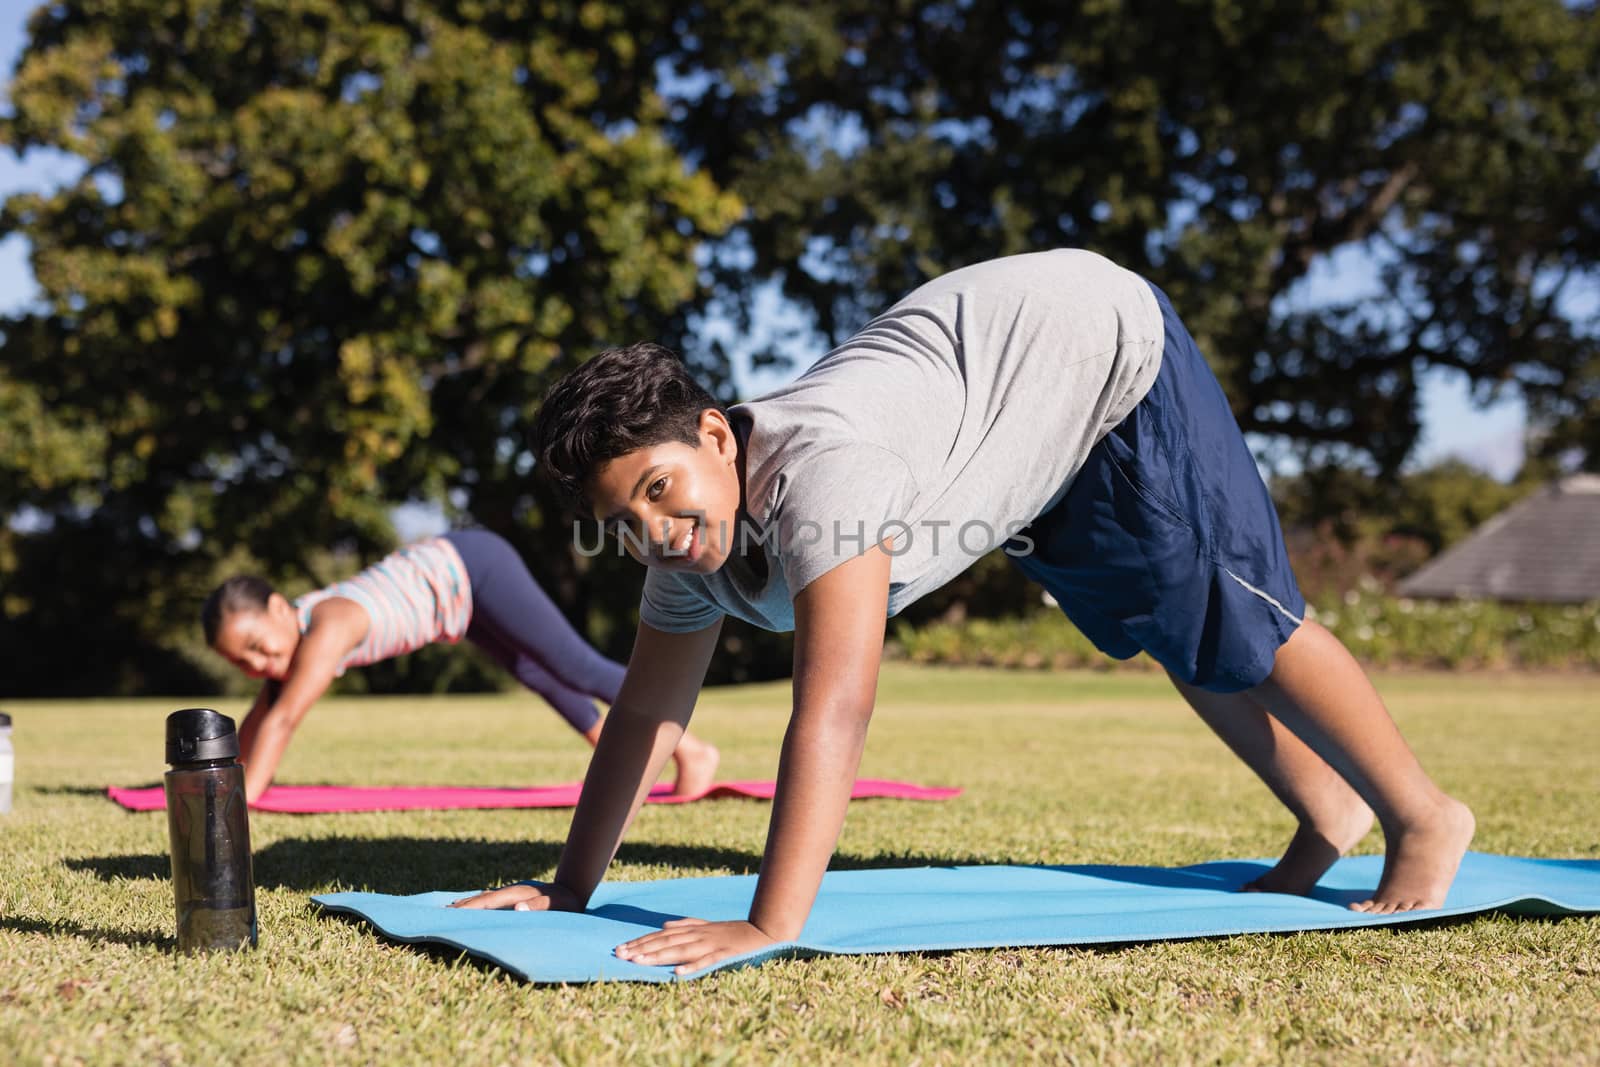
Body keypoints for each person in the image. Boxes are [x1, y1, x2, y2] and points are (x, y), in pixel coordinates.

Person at [452, 249, 1475, 975]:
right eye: (623, 517)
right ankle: (1324, 813)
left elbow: (836, 707)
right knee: (1163, 616)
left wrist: (771, 919)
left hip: (1097, 345)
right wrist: (571, 887)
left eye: (661, 489)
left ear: (717, 437)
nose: (653, 530)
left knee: (1226, 600)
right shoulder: (683, 547)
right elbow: (644, 714)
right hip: (1022, 422)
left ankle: (1422, 814)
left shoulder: (824, 480)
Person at [201, 528, 720, 804]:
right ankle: (621, 764)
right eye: (239, 661)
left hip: (473, 567)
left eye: (255, 644)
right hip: (459, 603)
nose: (255, 663)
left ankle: (692, 750)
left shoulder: (327, 625)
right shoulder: (297, 641)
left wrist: (244, 799)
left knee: (575, 666)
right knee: (538, 675)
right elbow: (259, 718)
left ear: (276, 608)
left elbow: (284, 718)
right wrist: (223, 780)